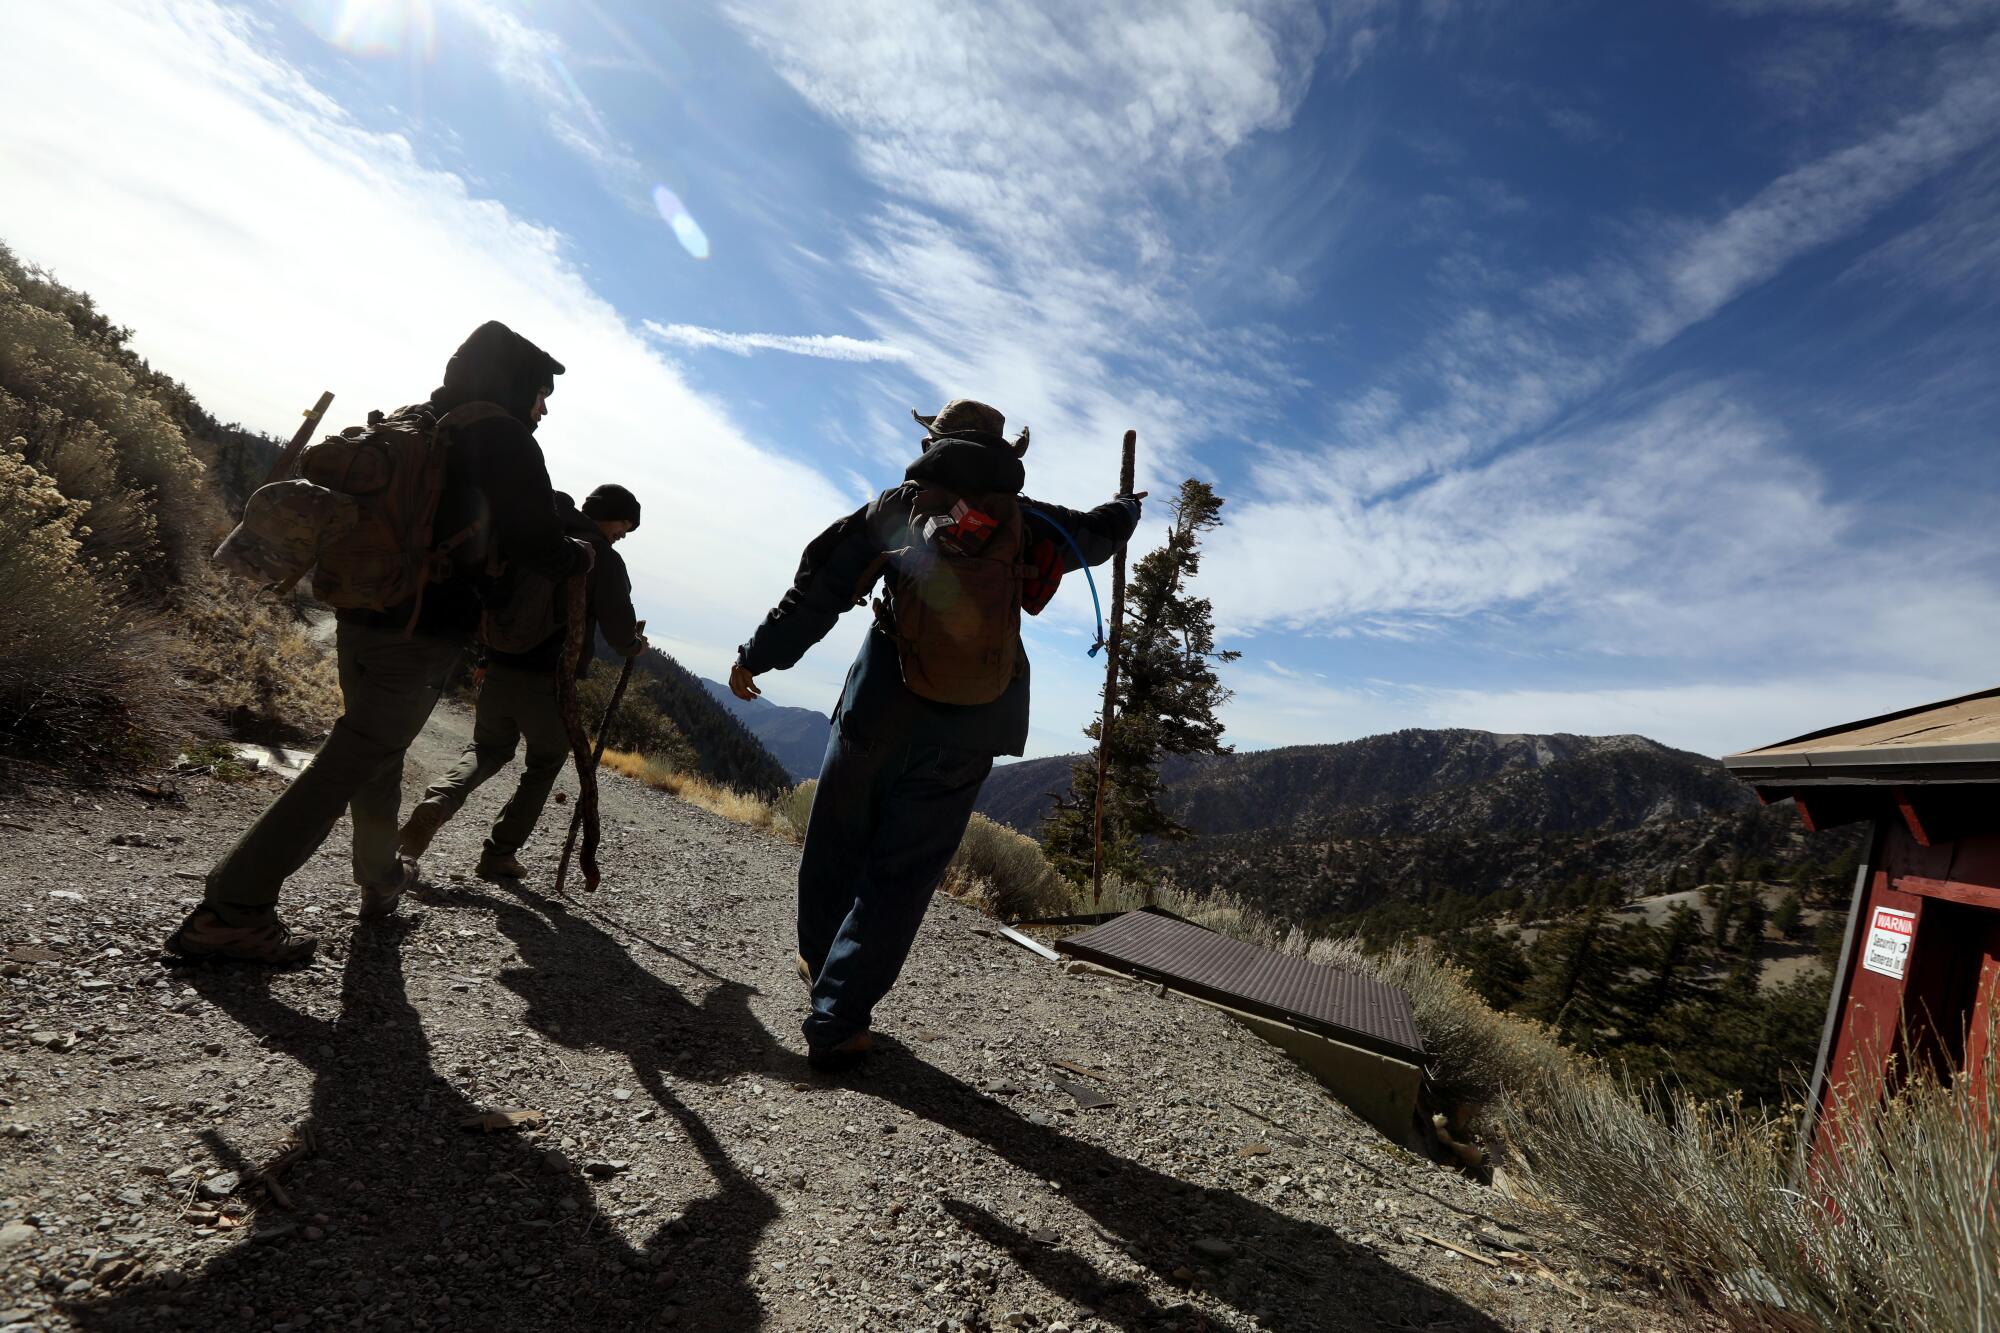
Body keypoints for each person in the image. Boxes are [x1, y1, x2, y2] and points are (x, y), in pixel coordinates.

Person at [731, 399, 1140, 1070]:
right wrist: (1128, 507)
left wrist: (758, 653)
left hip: (878, 709)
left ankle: (821, 967)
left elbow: (819, 590)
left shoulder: (898, 508)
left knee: (835, 842)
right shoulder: (1029, 521)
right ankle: (839, 1015)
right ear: (1003, 448)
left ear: (937, 439)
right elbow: (1099, 534)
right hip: (973, 723)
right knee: (901, 877)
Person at [166, 322, 592, 965]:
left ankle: (380, 876)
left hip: (360, 609)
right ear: (516, 385)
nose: (545, 406)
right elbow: (537, 543)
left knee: (375, 750)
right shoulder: (500, 436)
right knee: (354, 757)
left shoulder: (415, 419)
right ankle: (235, 907)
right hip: (421, 627)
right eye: (541, 391)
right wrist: (579, 557)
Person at [396, 483, 648, 879]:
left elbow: (503, 599)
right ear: (610, 516)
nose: (624, 533)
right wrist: (635, 646)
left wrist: (486, 657)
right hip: (549, 681)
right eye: (625, 525)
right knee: (544, 762)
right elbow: (619, 631)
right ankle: (498, 854)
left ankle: (440, 802)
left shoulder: (538, 536)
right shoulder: (603, 559)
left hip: (500, 665)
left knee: (487, 748)